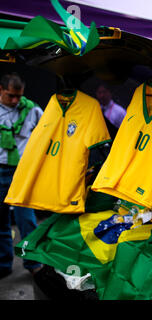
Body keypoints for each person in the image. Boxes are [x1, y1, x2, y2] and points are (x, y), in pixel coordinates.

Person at [0, 73, 43, 279]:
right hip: (0, 169)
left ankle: (33, 262)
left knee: (26, 219)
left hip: (22, 171)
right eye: (10, 96)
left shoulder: (32, 110)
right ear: (1, 90)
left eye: (19, 96)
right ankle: (3, 263)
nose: (16, 100)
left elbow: (48, 133)